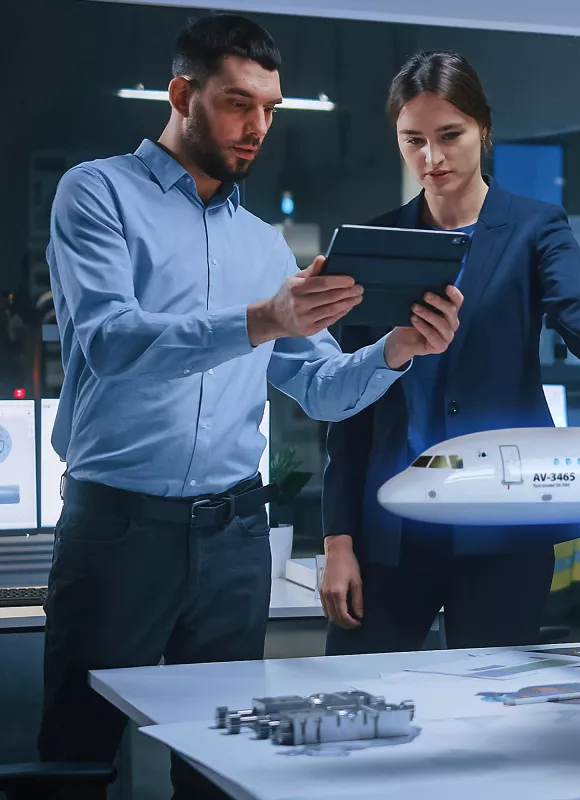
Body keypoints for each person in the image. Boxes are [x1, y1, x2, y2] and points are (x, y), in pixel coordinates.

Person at [38, 18, 462, 800]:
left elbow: (324, 387)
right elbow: (110, 343)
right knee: (77, 758)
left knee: (221, 766)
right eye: (238, 103)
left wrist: (400, 348)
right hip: (120, 531)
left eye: (270, 108)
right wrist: (267, 318)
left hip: (233, 540)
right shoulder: (97, 193)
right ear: (181, 94)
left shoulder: (263, 245)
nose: (257, 127)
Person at [320, 51, 580, 656]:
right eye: (413, 141)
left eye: (449, 136)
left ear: (483, 128)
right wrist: (338, 540)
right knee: (357, 699)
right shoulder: (375, 243)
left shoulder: (534, 227)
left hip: (503, 524)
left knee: (493, 714)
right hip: (391, 533)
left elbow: (574, 306)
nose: (431, 159)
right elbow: (349, 404)